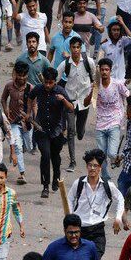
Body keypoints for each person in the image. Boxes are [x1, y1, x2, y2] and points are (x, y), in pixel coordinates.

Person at [66, 149, 125, 260]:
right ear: (86, 166)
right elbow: (68, 200)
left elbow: (120, 199)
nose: (92, 168)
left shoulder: (108, 185)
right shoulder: (79, 184)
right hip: (80, 231)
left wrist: (117, 217)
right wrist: (70, 219)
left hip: (98, 232)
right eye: (90, 165)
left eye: (96, 166)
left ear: (101, 168)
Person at [27, 68, 74, 198]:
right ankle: (45, 186)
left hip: (56, 131)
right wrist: (29, 113)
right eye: (46, 82)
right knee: (45, 155)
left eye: (50, 83)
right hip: (41, 129)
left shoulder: (60, 91)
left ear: (55, 82)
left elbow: (71, 108)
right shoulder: (39, 88)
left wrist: (63, 100)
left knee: (55, 157)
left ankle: (56, 177)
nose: (48, 85)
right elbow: (30, 98)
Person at [56, 36, 96, 173]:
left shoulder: (89, 62)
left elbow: (94, 77)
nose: (76, 50)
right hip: (70, 101)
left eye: (78, 47)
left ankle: (82, 130)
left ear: (81, 48)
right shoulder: (65, 64)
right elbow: (56, 79)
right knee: (71, 132)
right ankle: (72, 161)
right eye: (73, 47)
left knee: (79, 133)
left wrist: (92, 93)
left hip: (84, 102)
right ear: (70, 48)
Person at [92, 58, 129, 180]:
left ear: (110, 71)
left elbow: (127, 95)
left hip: (114, 121)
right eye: (102, 69)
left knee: (112, 153)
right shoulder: (96, 86)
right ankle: (105, 178)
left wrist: (128, 111)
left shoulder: (117, 84)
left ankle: (119, 157)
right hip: (100, 123)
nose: (104, 72)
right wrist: (92, 91)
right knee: (100, 155)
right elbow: (89, 102)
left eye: (106, 70)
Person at [1, 62, 33, 185]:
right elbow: (3, 99)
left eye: (23, 75)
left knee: (28, 147)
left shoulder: (31, 88)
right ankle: (22, 173)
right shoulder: (9, 85)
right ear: (15, 74)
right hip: (13, 122)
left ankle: (18, 150)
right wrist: (5, 109)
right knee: (18, 146)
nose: (21, 78)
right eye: (19, 75)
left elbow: (34, 104)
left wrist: (31, 116)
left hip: (27, 124)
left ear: (26, 75)